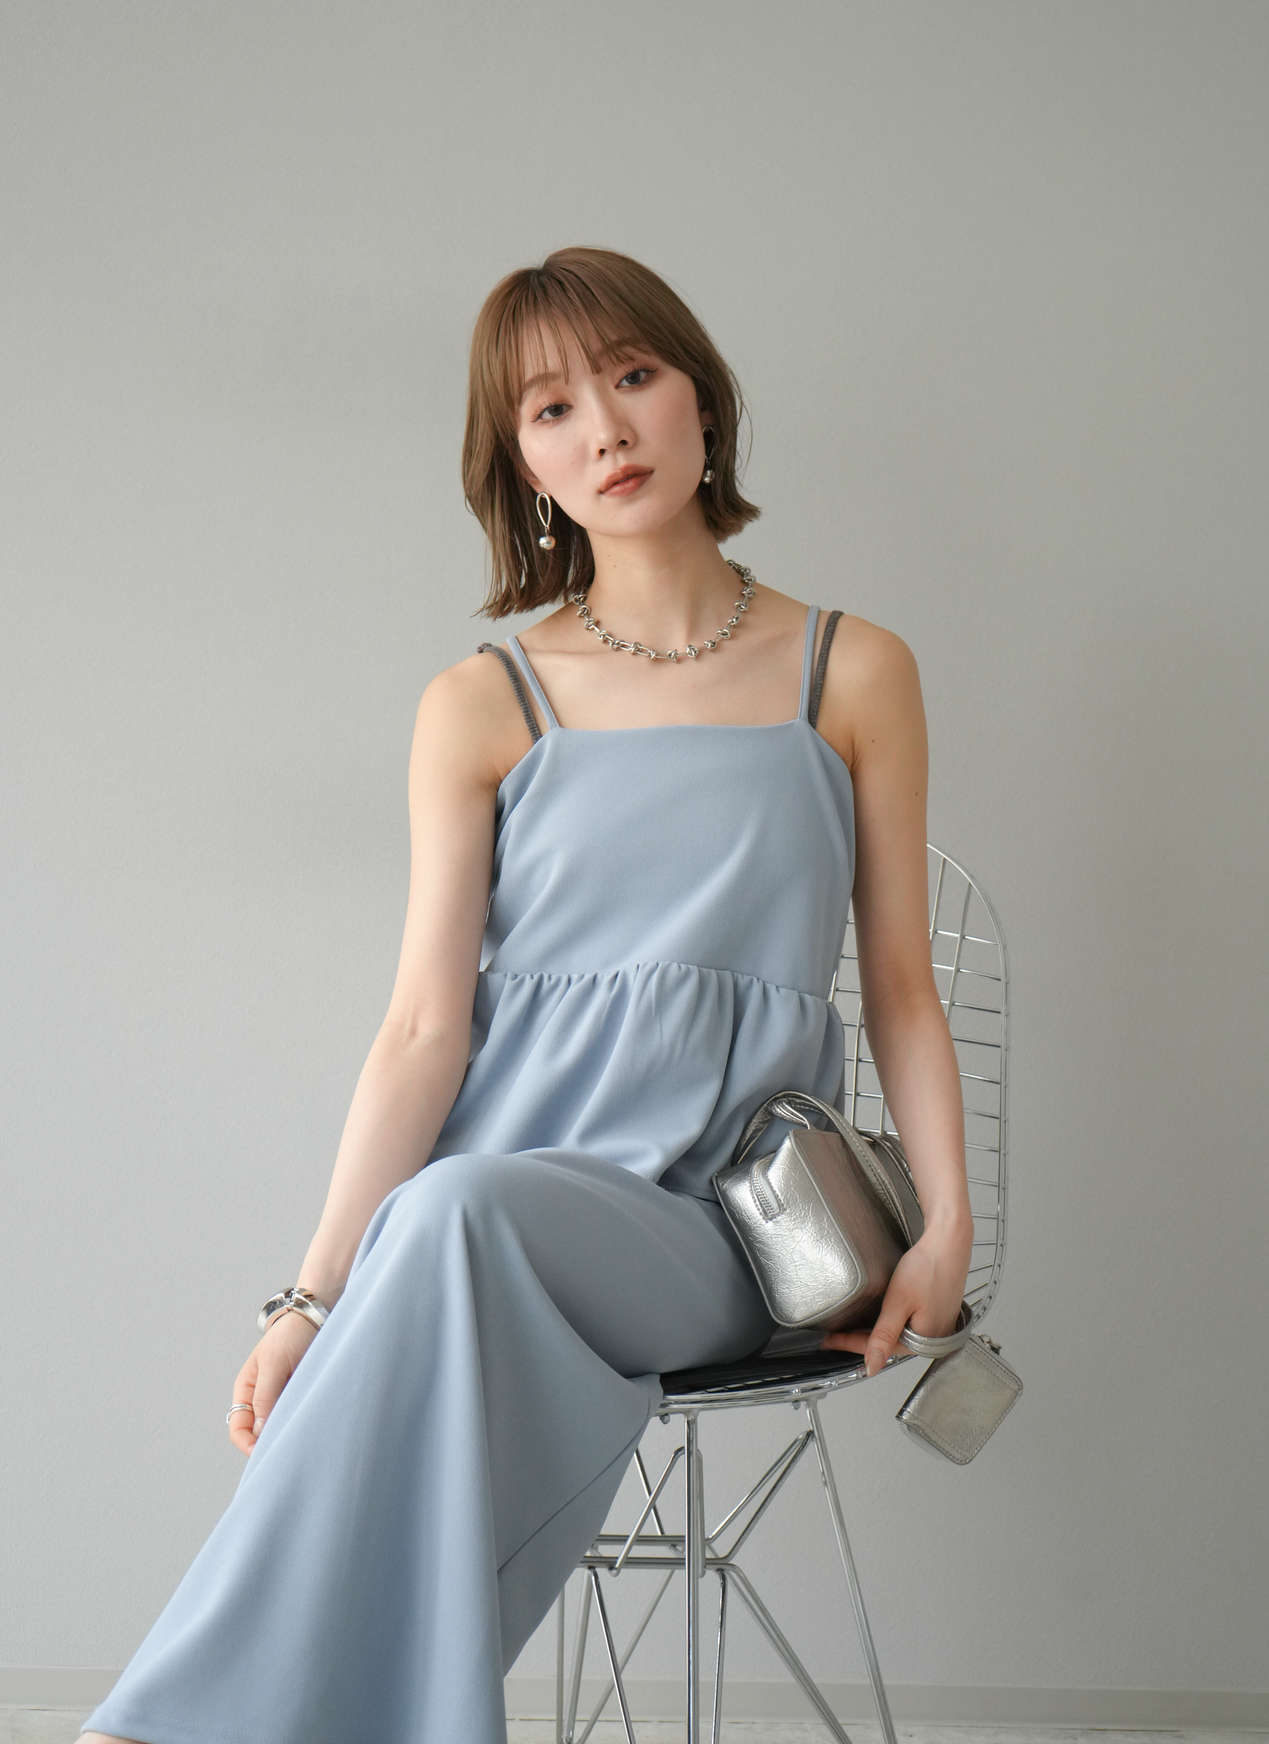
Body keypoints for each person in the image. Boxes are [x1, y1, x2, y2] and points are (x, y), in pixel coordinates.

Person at [82, 247, 973, 1744]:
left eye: (632, 377)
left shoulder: (851, 670)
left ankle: (168, 1726)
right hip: (484, 1224)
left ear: (701, 401)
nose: (605, 430)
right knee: (452, 1220)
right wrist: (310, 1299)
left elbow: (898, 986)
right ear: (522, 465)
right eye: (552, 409)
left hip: (716, 1228)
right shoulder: (482, 703)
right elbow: (425, 1030)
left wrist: (948, 1226)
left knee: (455, 1218)